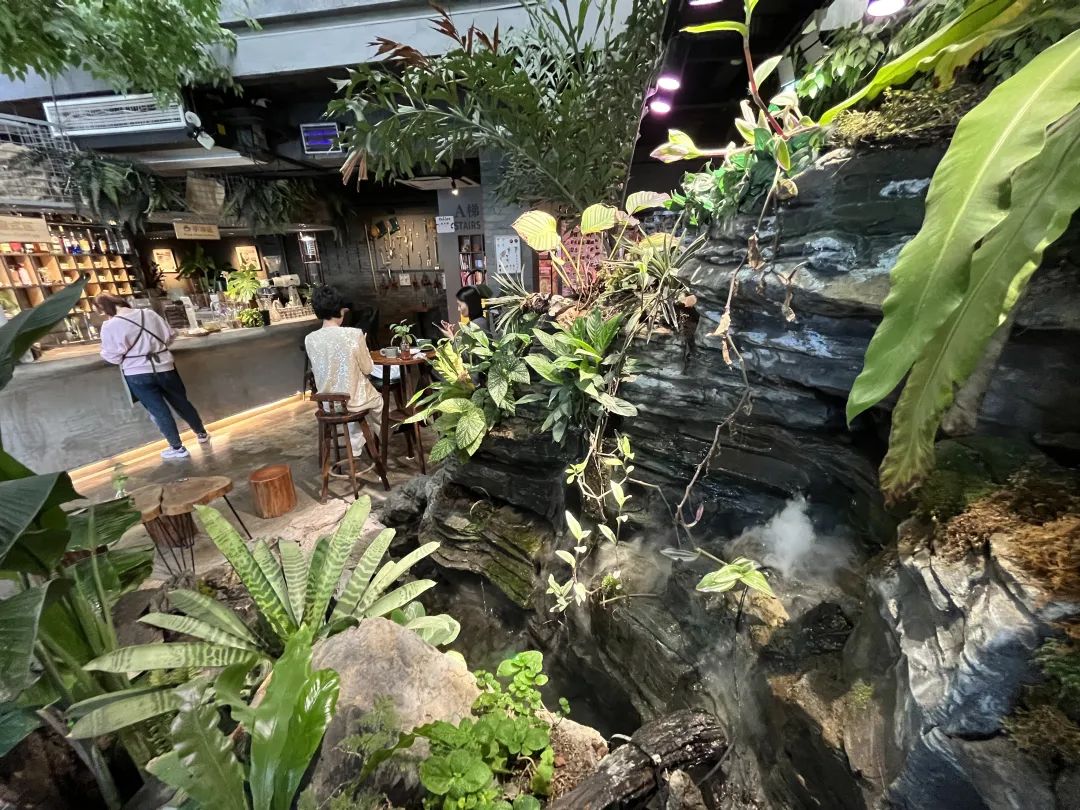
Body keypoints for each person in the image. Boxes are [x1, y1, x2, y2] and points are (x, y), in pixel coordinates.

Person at [97, 294, 209, 460]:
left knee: (158, 411)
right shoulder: (149, 314)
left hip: (137, 373)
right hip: (165, 366)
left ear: (105, 309)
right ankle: (201, 434)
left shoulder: (110, 326)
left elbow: (112, 356)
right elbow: (170, 335)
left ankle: (177, 448)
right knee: (181, 402)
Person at [305, 285, 383, 462]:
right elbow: (368, 369)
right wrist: (364, 347)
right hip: (352, 402)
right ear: (340, 310)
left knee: (352, 396)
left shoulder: (309, 339)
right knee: (378, 402)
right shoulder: (353, 334)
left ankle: (355, 441)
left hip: (327, 405)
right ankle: (379, 441)